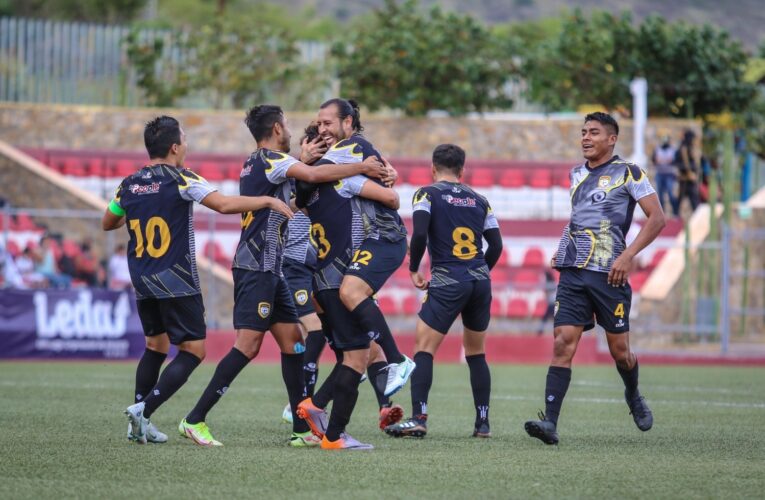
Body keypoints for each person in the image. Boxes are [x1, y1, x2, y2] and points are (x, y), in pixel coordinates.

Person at [179, 105, 389, 447]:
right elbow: (316, 178)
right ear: (277, 128)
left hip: (272, 269)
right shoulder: (269, 159)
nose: (292, 131)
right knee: (247, 347)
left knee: (293, 344)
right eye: (288, 124)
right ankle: (194, 419)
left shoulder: (259, 162)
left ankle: (302, 430)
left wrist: (304, 161)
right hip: (256, 266)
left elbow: (295, 199)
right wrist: (363, 167)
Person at [102, 115, 293, 445]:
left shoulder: (129, 184)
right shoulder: (181, 179)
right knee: (193, 351)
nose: (187, 145)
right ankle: (143, 409)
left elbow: (109, 222)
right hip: (176, 279)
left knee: (155, 346)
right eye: (185, 139)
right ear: (175, 147)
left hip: (143, 279)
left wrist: (139, 213)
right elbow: (222, 204)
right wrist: (266, 199)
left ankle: (141, 422)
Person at [524, 112, 666, 445]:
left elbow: (657, 219)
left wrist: (627, 256)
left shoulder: (629, 173)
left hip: (609, 274)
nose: (586, 138)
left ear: (612, 139)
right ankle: (550, 423)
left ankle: (633, 394)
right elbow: (579, 219)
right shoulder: (576, 174)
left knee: (620, 352)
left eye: (594, 132)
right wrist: (562, 250)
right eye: (583, 132)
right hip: (573, 272)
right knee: (562, 343)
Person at [281, 122, 404, 432]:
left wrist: (383, 172)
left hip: (333, 272)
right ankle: (308, 406)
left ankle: (376, 407)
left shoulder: (313, 186)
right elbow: (392, 199)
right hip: (311, 273)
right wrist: (373, 175)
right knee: (339, 346)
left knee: (359, 351)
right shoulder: (310, 181)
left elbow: (302, 201)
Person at [383, 144, 503, 439]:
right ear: (462, 171)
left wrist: (413, 268)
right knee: (476, 353)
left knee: (424, 349)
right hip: (479, 281)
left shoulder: (427, 193)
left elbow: (421, 233)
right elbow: (496, 246)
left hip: (448, 280)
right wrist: (478, 271)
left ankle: (419, 418)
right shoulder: (480, 199)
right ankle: (482, 424)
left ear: (432, 169)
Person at [315, 98, 416, 397]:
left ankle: (397, 361)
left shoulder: (350, 149)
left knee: (349, 294)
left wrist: (301, 160)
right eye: (319, 124)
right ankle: (317, 403)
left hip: (384, 236)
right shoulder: (352, 156)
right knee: (350, 300)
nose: (322, 130)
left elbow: (312, 175)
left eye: (328, 123)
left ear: (348, 122)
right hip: (374, 239)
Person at [651, 135, 679, 217]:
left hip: (669, 174)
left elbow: (675, 161)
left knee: (671, 193)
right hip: (660, 174)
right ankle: (661, 214)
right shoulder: (657, 149)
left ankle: (675, 212)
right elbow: (654, 159)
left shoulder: (672, 150)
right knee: (660, 195)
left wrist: (668, 161)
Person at [676, 129, 700, 214]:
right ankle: (677, 217)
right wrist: (690, 173)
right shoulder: (684, 148)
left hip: (690, 178)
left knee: (694, 200)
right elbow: (685, 162)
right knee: (681, 199)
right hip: (685, 178)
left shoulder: (690, 147)